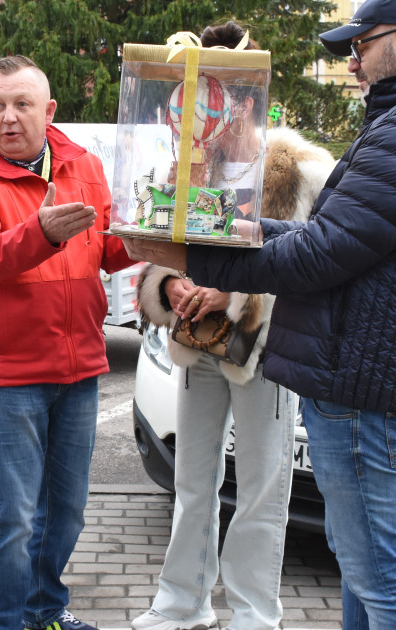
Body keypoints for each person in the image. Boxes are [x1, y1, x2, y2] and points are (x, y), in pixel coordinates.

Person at [121, 0, 396, 627]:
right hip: (356, 372)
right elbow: (334, 238)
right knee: (365, 568)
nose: (351, 64)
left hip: (361, 382)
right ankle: (182, 601)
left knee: (375, 571)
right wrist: (209, 254)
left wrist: (208, 261)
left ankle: (250, 611)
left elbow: (321, 251)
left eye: (360, 46)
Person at [131, 23, 335, 630]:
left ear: (244, 100)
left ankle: (252, 614)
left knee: (262, 492)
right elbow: (157, 261)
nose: (197, 116)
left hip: (266, 352)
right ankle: (182, 602)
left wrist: (234, 293)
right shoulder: (188, 170)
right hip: (198, 347)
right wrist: (170, 287)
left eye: (212, 97)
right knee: (193, 483)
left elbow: (319, 264)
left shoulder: (302, 172)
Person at [0, 55, 135, 630]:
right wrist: (40, 233)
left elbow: (110, 248)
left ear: (47, 111)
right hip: (12, 376)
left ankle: (45, 611)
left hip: (79, 367)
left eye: (21, 104)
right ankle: (1, 624)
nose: (7, 117)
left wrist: (154, 231)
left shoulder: (86, 167)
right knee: (14, 518)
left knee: (66, 512)